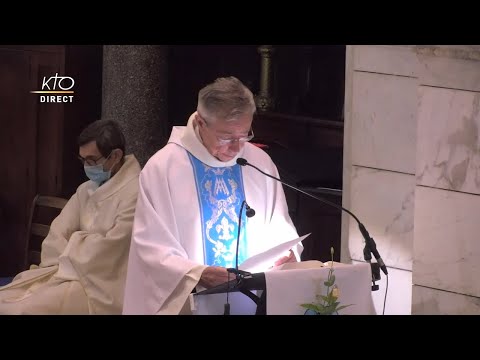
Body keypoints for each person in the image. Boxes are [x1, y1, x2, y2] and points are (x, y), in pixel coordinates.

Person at [123, 76, 303, 315]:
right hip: (190, 302)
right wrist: (199, 274)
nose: (238, 147)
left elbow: (280, 226)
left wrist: (287, 255)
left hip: (255, 300)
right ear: (200, 122)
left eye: (245, 134)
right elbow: (151, 248)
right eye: (226, 137)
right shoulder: (164, 168)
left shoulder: (257, 161)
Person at [0, 120, 141, 314]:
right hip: (65, 270)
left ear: (115, 156)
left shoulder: (136, 192)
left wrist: (73, 243)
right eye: (83, 160)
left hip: (103, 285)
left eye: (92, 160)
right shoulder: (86, 189)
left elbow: (110, 250)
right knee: (7, 299)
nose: (86, 167)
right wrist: (79, 246)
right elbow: (58, 231)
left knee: (26, 310)